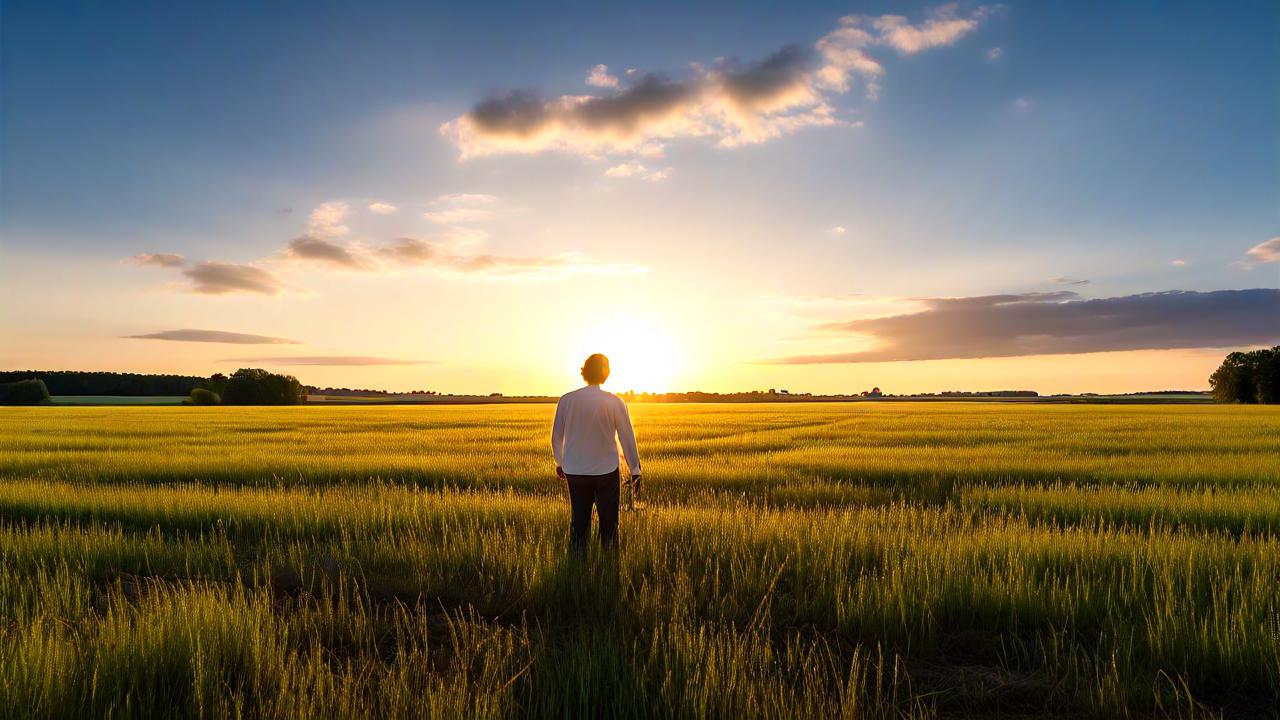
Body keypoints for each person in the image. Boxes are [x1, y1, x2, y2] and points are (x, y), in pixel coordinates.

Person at [551, 353, 641, 552]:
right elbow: (627, 437)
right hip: (606, 473)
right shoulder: (615, 402)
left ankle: (577, 572)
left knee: (579, 526)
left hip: (575, 471)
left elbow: (556, 437)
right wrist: (635, 469)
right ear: (605, 373)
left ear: (585, 371)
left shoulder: (567, 400)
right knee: (609, 527)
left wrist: (561, 463)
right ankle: (609, 571)